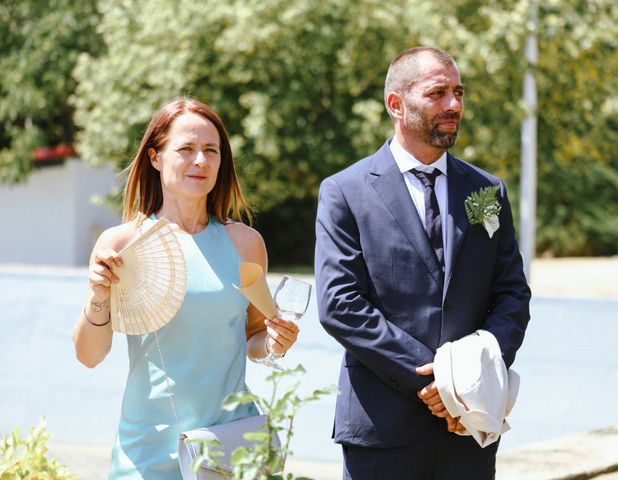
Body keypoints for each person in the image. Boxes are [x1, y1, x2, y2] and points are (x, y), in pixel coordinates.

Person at [314, 46, 531, 479]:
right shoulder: (345, 192)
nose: (454, 105)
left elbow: (512, 294)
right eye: (438, 93)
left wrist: (467, 378)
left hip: (469, 424)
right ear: (396, 104)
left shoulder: (486, 191)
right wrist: (435, 382)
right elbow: (340, 305)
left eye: (459, 92)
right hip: (382, 428)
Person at [72, 97, 300, 479]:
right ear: (155, 157)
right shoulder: (121, 245)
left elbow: (255, 336)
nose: (201, 161)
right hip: (148, 452)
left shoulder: (245, 244)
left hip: (230, 447)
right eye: (186, 149)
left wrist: (276, 342)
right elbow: (89, 356)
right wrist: (98, 298)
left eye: (211, 151)